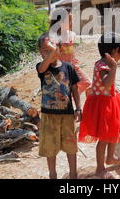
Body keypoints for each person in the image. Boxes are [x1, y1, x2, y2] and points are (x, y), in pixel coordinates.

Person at [78, 32, 120, 179]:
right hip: (103, 107)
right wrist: (114, 67)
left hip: (110, 102)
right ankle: (100, 168)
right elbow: (106, 84)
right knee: (104, 138)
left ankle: (110, 157)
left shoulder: (102, 63)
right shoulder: (104, 66)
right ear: (116, 51)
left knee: (114, 131)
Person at [36, 33, 82, 179]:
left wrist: (78, 108)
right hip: (49, 116)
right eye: (45, 50)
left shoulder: (68, 68)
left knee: (70, 145)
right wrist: (52, 50)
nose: (49, 53)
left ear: (60, 49)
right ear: (40, 52)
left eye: (53, 49)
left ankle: (73, 174)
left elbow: (74, 89)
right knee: (50, 147)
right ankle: (52, 174)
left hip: (67, 115)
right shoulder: (41, 67)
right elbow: (42, 69)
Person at [50, 7, 92, 96]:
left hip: (73, 67)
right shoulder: (53, 37)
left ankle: (74, 96)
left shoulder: (72, 35)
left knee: (87, 83)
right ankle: (70, 97)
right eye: (68, 20)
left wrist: (74, 60)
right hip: (61, 69)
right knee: (63, 92)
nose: (71, 23)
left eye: (71, 20)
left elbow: (71, 52)